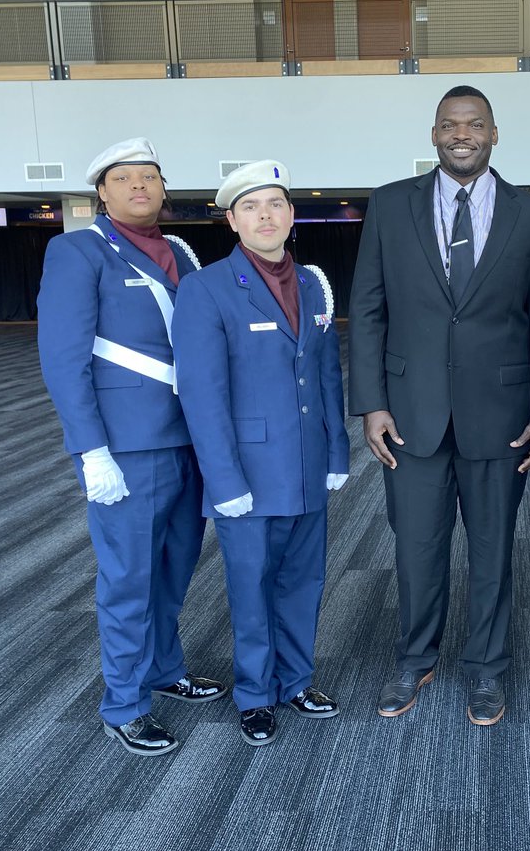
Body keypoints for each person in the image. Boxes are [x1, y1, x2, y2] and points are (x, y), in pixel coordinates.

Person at [349, 84, 530, 726]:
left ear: (494, 133)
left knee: (494, 552)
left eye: (474, 123)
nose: (461, 134)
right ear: (434, 134)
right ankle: (414, 660)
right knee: (416, 549)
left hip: (501, 417)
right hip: (409, 415)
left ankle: (488, 671)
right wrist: (371, 403)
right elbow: (367, 309)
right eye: (449, 124)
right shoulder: (391, 207)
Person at [38, 137, 226, 757]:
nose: (139, 186)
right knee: (127, 578)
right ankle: (124, 701)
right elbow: (65, 360)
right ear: (103, 191)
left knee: (174, 567)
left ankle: (164, 669)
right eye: (125, 178)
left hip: (190, 440)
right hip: (127, 448)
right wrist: (89, 450)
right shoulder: (78, 250)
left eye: (150, 176)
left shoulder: (180, 254)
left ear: (164, 189)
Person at [172, 160, 349, 747]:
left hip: (305, 465)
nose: (265, 216)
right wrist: (222, 479)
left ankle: (296, 680)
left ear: (292, 215)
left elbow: (327, 374)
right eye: (250, 207)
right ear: (231, 220)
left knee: (304, 581)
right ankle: (254, 693)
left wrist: (337, 453)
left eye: (275, 204)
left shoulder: (311, 283)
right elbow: (201, 394)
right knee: (250, 587)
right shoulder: (204, 289)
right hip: (245, 474)